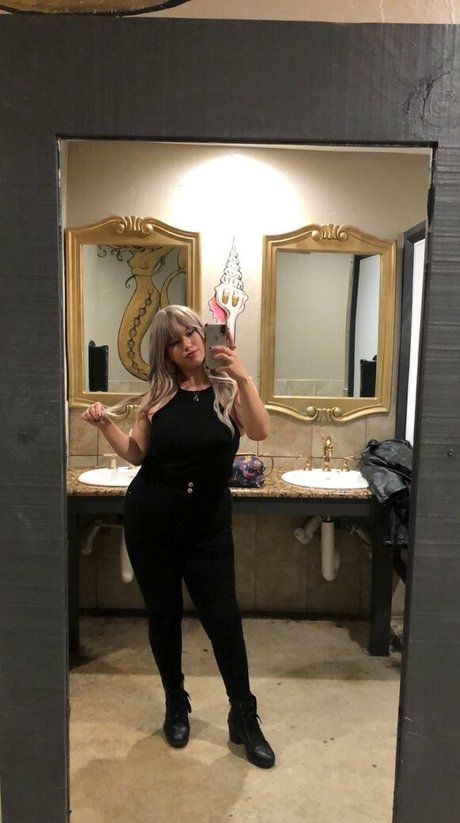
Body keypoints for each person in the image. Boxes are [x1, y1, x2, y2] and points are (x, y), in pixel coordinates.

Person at [82, 305, 275, 769]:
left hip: (208, 528)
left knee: (224, 622)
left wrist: (242, 375)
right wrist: (105, 424)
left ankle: (244, 715)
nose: (187, 343)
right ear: (165, 352)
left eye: (191, 332)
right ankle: (175, 702)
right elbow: (136, 454)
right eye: (175, 339)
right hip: (153, 522)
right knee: (164, 618)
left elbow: (261, 430)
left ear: (205, 336)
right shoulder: (158, 396)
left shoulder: (228, 392)